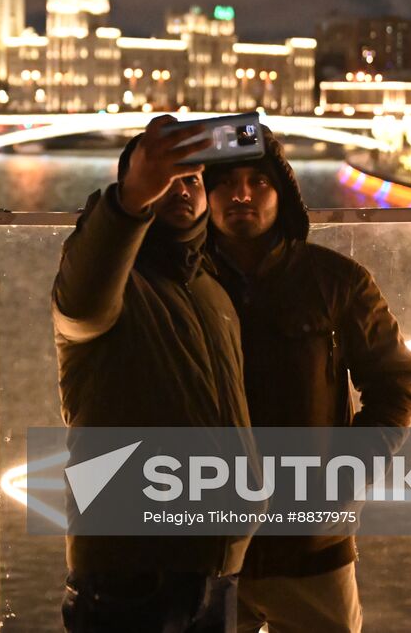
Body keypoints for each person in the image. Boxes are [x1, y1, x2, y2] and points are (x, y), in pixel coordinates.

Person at [202, 127, 411, 633]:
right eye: (225, 182)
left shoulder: (338, 281)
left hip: (309, 543)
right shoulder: (180, 287)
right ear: (204, 196)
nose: (241, 194)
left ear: (283, 192)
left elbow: (396, 384)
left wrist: (340, 483)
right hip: (205, 546)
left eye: (258, 180)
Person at [51, 115, 254, 633]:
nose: (181, 188)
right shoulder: (108, 281)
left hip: (216, 565)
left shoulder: (211, 291)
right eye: (166, 179)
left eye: (192, 180)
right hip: (130, 567)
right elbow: (83, 294)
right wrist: (128, 200)